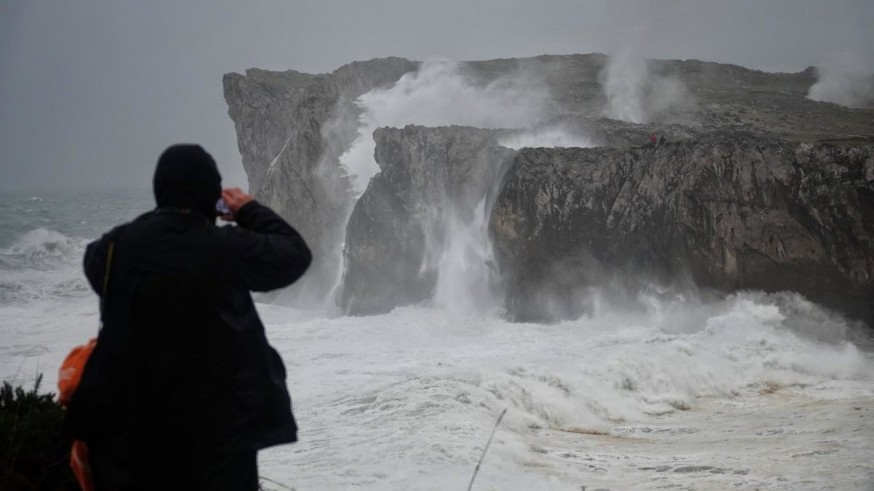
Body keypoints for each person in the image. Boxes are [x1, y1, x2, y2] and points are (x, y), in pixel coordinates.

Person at [65, 144, 312, 490]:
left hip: (132, 434)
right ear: (211, 193)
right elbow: (295, 255)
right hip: (217, 435)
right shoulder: (225, 247)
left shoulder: (111, 248)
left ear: (159, 189)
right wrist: (248, 210)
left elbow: (100, 273)